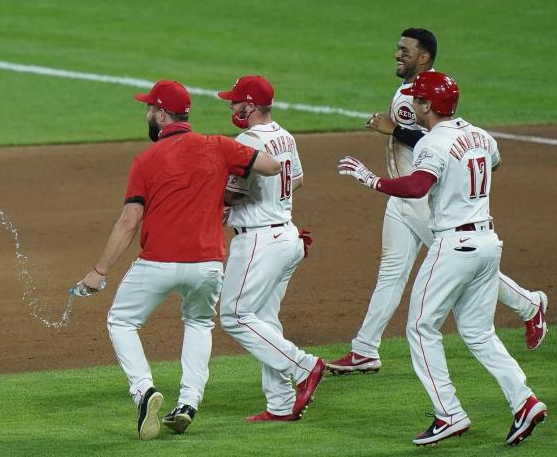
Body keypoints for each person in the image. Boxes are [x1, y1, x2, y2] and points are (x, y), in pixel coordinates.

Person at [338, 71, 547, 446]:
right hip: (487, 242)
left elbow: (418, 186)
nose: (413, 105)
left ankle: (448, 413)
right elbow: (492, 165)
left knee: (420, 327)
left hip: (454, 246)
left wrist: (372, 180)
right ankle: (525, 401)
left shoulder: (433, 142)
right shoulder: (481, 135)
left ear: (430, 106)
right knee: (479, 333)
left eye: (418, 100)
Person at [327, 28, 548, 375]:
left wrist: (394, 129)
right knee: (390, 275)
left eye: (405, 50)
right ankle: (365, 349)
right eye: (397, 49)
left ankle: (529, 305)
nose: (397, 54)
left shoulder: (427, 95)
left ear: (424, 57)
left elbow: (436, 141)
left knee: (463, 267)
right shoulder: (413, 89)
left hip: (426, 201)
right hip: (402, 198)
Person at [78, 80, 280, 440]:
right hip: (207, 265)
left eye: (149, 109)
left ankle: (144, 392)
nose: (147, 114)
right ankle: (188, 403)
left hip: (158, 263)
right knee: (199, 323)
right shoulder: (218, 146)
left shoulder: (146, 160)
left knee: (122, 321)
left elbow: (129, 221)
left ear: (160, 113)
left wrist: (99, 270)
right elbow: (270, 166)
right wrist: (229, 180)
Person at [217, 75, 324, 423]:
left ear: (250, 105)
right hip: (286, 237)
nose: (232, 107)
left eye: (235, 101)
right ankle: (280, 404)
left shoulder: (248, 139)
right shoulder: (284, 136)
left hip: (259, 242)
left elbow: (234, 193)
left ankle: (304, 366)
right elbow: (298, 180)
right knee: (263, 320)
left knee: (234, 316)